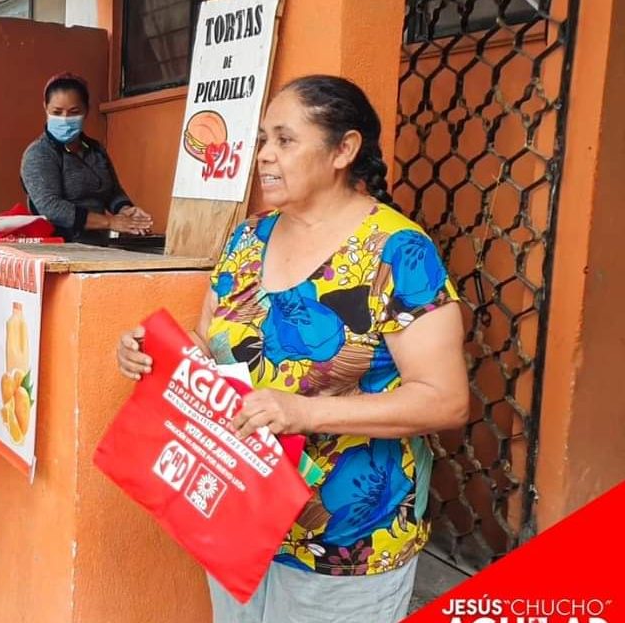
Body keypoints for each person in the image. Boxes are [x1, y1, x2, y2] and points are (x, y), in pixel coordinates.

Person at [116, 75, 469, 623]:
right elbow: (214, 348)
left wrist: (303, 411)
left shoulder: (399, 253)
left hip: (345, 542)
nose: (263, 156)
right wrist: (157, 353)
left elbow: (445, 402)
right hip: (238, 516)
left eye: (284, 140)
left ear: (344, 150)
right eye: (262, 140)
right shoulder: (247, 238)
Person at [20, 72, 153, 241]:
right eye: (57, 112)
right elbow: (51, 207)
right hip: (59, 246)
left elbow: (112, 191)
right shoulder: (39, 154)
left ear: (86, 111)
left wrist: (126, 210)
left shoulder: (95, 150)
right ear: (46, 108)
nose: (65, 119)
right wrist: (110, 222)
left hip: (98, 244)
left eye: (74, 112)